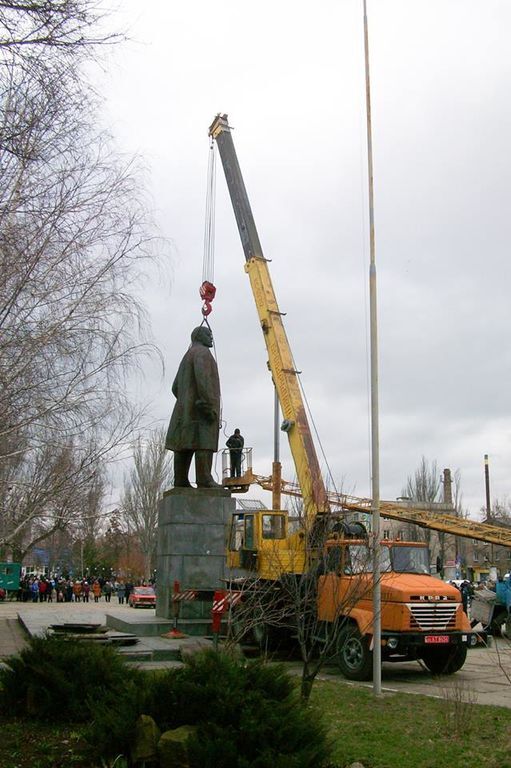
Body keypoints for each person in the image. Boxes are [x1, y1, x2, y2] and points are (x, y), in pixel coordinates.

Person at [165, 325, 222, 489]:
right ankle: (204, 479)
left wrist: (185, 401)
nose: (211, 337)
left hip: (184, 412)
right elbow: (204, 380)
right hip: (201, 410)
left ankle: (181, 480)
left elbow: (175, 387)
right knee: (204, 442)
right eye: (208, 334)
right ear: (198, 336)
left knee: (183, 445)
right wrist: (207, 404)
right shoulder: (203, 353)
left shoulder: (187, 355)